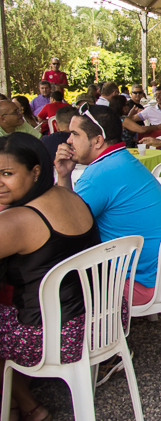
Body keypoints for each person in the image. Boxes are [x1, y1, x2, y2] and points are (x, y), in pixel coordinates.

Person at [0, 133, 100, 421]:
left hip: (59, 335)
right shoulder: (68, 194)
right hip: (101, 319)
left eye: (7, 173)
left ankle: (28, 404)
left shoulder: (17, 221)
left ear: (35, 172)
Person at [53, 104, 161, 306]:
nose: (68, 140)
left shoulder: (99, 175)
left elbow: (65, 226)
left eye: (75, 134)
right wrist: (65, 176)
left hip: (137, 285)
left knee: (47, 271)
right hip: (157, 275)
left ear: (98, 140)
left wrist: (60, 179)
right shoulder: (122, 159)